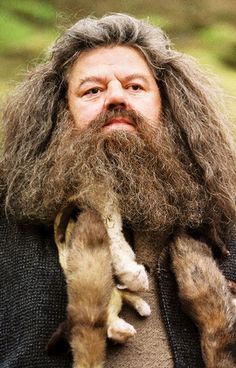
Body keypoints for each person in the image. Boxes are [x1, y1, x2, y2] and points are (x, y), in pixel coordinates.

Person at [0, 13, 235, 368]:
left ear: (169, 106)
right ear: (60, 112)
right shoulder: (9, 225)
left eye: (135, 87)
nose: (115, 98)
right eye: (92, 90)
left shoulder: (225, 215)